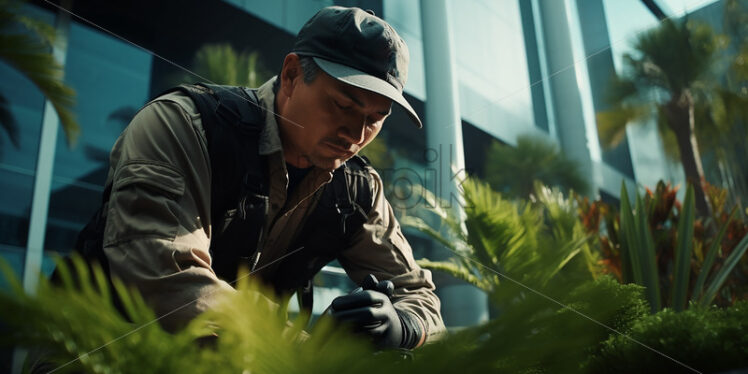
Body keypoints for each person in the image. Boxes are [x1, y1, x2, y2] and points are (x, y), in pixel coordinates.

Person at [87, 6, 445, 350]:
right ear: (291, 76)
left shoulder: (359, 189)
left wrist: (402, 325)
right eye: (343, 105)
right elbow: (168, 283)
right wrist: (315, 353)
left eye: (376, 117)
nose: (355, 132)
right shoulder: (185, 127)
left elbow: (420, 299)